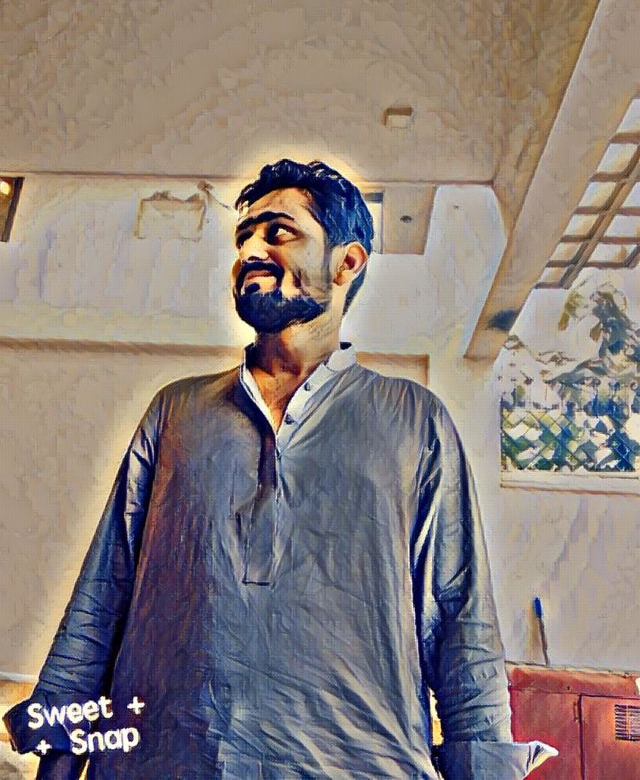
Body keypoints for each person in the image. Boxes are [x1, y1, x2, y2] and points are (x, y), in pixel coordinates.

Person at [4, 160, 554, 779]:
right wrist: (59, 755)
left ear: (347, 261)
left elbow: (460, 617)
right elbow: (105, 591)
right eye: (243, 238)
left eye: (278, 232)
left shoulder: (414, 420)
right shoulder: (177, 412)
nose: (250, 252)